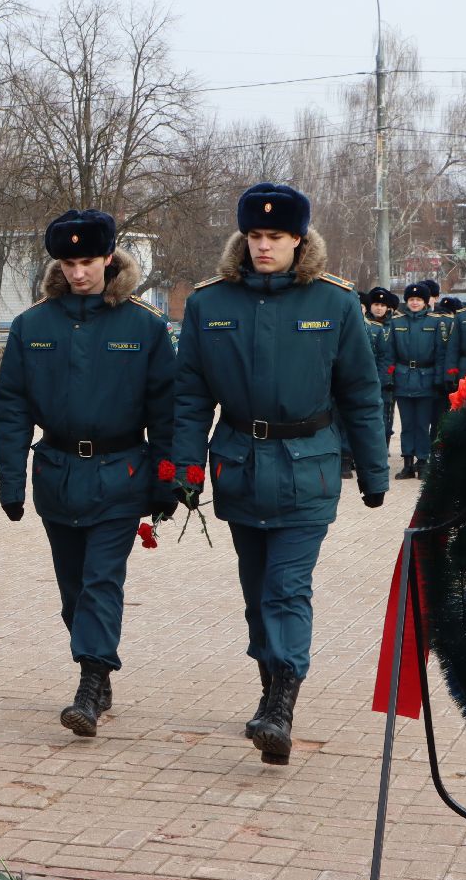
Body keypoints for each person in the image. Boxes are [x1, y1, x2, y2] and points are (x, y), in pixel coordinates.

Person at [172, 183, 388, 766]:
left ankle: (282, 703)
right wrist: (186, 468)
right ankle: (270, 685)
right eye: (256, 236)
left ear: (299, 239)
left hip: (307, 468)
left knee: (287, 588)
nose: (265, 247)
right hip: (240, 465)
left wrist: (373, 470)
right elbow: (189, 396)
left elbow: (361, 393)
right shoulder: (209, 304)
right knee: (255, 591)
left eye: (277, 237)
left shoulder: (334, 303)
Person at [0, 210, 176, 736]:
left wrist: (168, 478)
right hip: (57, 473)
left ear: (109, 259)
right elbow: (10, 408)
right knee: (73, 589)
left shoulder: (144, 325)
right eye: (69, 262)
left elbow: (166, 409)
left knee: (101, 581)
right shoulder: (34, 325)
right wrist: (10, 482)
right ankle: (96, 664)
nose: (78, 273)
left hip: (121, 472)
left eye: (88, 261)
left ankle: (91, 683)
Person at [386, 282, 444, 480]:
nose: (415, 303)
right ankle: (408, 464)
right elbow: (389, 353)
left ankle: (423, 462)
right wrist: (389, 377)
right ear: (407, 301)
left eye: (419, 300)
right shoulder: (396, 322)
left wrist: (438, 379)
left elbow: (440, 353)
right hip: (403, 377)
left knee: (423, 424)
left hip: (426, 377)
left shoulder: (436, 322)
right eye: (411, 299)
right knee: (407, 424)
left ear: (425, 302)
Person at [363, 287, 396, 450]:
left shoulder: (394, 324)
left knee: (386, 415)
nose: (379, 308)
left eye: (382, 305)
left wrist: (388, 376)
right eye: (376, 304)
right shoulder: (363, 323)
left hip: (389, 378)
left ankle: (384, 446)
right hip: (367, 376)